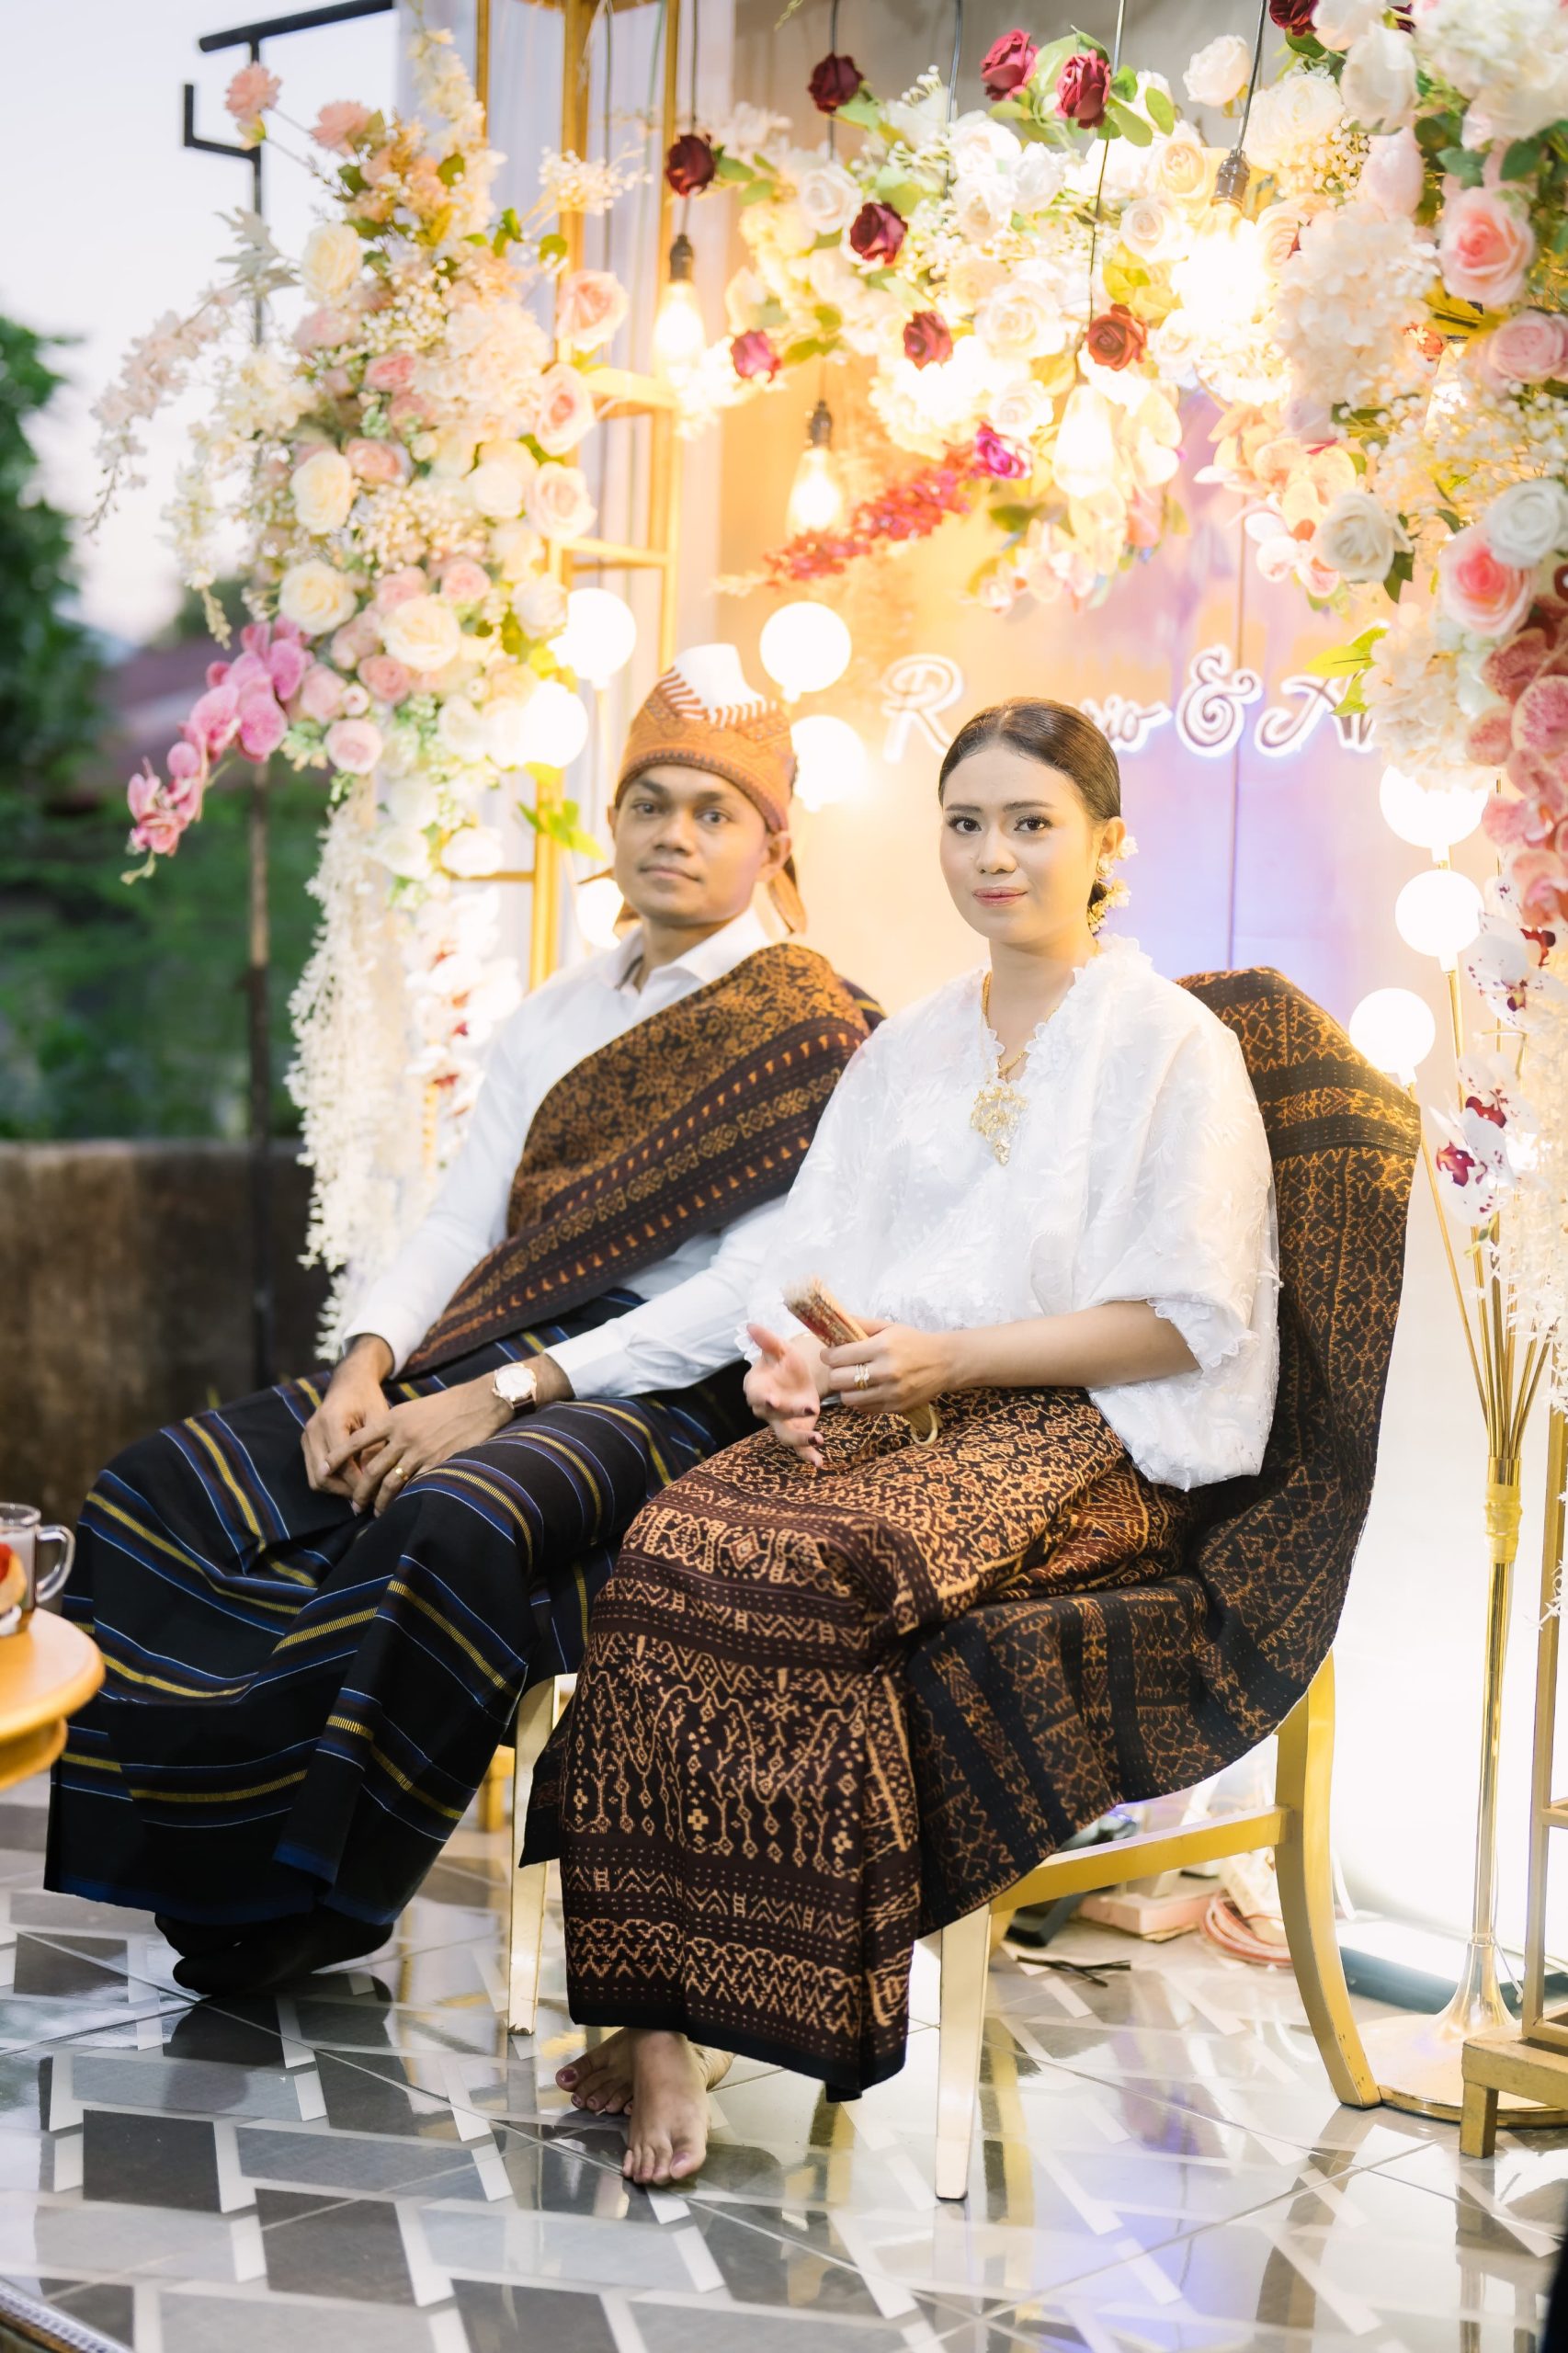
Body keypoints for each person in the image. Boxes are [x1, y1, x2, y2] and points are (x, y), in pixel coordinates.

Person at [47, 645, 875, 1996]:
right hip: (485, 1342)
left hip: (664, 1392)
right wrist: (365, 1366)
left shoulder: (815, 1035)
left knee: (452, 1518)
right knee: (158, 1488)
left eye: (713, 811)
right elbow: (456, 1223)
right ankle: (198, 1861)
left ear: (771, 843)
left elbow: (744, 1296)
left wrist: (505, 1397)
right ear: (612, 822)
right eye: (649, 803)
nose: (673, 834)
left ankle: (317, 1898)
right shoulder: (555, 1015)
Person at [538, 697, 1279, 2185]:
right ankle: (656, 2017)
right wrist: (792, 1369)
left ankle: (758, 2004)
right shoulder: (911, 1046)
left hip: (1085, 1432)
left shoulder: (1171, 1046)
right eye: (965, 825)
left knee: (809, 1571)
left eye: (1030, 824)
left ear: (1106, 845)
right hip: (890, 1409)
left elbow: (1181, 1323)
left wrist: (960, 1359)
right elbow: (802, 1263)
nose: (993, 856)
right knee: (667, 1545)